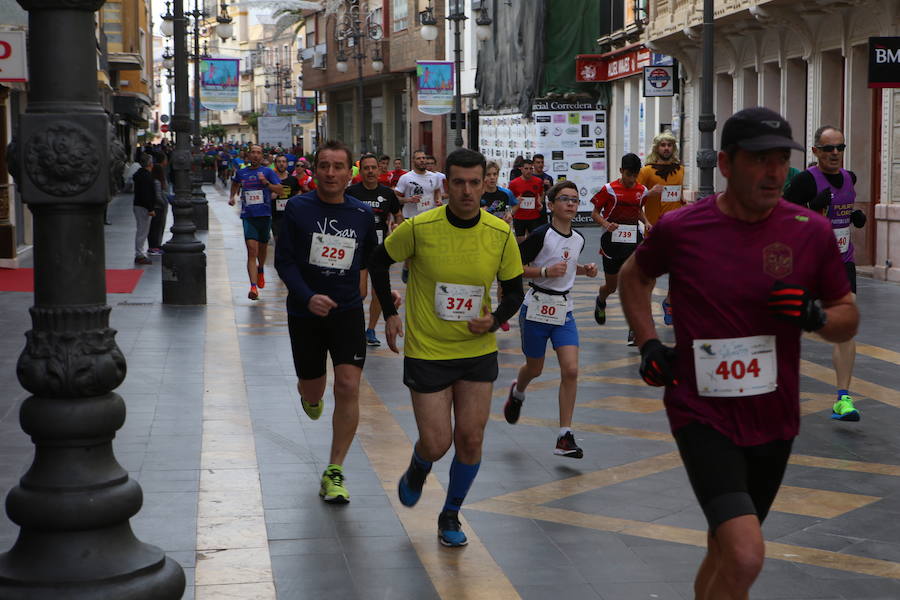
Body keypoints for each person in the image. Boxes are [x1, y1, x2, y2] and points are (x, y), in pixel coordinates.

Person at [619, 107, 859, 600]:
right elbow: (633, 277)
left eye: (780, 159)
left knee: (726, 550)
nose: (774, 172)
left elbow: (847, 317)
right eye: (759, 160)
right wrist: (647, 344)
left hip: (774, 417)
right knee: (747, 553)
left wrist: (815, 317)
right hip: (701, 411)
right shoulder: (684, 229)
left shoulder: (808, 231)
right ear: (726, 164)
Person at [368, 148, 525, 547]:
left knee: (471, 439)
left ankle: (451, 514)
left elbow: (514, 290)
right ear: (446, 184)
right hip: (428, 351)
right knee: (438, 443)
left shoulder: (499, 231)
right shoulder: (421, 228)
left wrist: (494, 318)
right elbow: (376, 260)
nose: (468, 191)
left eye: (475, 182)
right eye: (459, 182)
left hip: (476, 351)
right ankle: (420, 465)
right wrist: (389, 312)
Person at [274, 140, 392, 504]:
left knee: (347, 385)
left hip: (346, 312)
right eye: (324, 165)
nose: (330, 173)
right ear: (315, 170)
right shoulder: (297, 208)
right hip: (304, 313)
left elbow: (373, 261)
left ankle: (335, 469)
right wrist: (308, 296)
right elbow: (285, 262)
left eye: (338, 166)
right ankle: (310, 397)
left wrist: (389, 302)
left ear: (348, 172)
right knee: (314, 391)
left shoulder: (359, 215)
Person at [504, 181, 598, 458]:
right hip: (536, 308)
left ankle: (564, 436)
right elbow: (515, 269)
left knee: (571, 370)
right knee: (535, 369)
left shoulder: (579, 238)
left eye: (575, 199)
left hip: (564, 310)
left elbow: (566, 268)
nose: (571, 204)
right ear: (552, 204)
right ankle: (518, 392)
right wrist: (544, 271)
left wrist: (585, 270)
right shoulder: (540, 234)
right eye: (565, 199)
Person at [784, 125, 866, 421]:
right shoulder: (806, 181)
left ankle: (843, 398)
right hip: (808, 262)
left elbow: (844, 212)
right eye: (829, 148)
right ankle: (775, 386)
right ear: (816, 150)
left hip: (841, 261)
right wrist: (810, 208)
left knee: (846, 322)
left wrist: (855, 217)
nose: (835, 154)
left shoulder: (849, 178)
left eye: (840, 148)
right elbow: (784, 220)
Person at [591, 153, 648, 345]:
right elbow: (595, 213)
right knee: (612, 286)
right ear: (621, 171)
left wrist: (647, 222)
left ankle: (634, 330)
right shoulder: (608, 189)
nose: (632, 180)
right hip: (612, 241)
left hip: (633, 239)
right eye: (628, 175)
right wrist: (606, 224)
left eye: (635, 176)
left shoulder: (642, 189)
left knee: (634, 284)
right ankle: (601, 299)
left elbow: (638, 210)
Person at [347, 153, 402, 347]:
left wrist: (397, 229)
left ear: (379, 170)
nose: (370, 171)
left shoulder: (387, 194)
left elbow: (397, 214)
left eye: (373, 168)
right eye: (366, 168)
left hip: (379, 251)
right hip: (358, 248)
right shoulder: (352, 192)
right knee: (360, 293)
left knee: (378, 291)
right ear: (360, 171)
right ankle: (355, 325)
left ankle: (370, 330)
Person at [637, 131, 685, 326]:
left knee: (679, 271)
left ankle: (669, 302)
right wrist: (649, 192)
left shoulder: (680, 169)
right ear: (656, 148)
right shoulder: (647, 171)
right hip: (654, 229)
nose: (666, 148)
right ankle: (645, 312)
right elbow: (635, 198)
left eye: (669, 145)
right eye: (663, 145)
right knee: (650, 274)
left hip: (676, 229)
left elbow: (677, 197)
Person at [229, 144, 283, 300]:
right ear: (248, 155)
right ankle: (253, 287)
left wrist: (266, 182)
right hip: (248, 216)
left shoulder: (268, 172)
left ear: (262, 156)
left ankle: (261, 269)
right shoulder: (241, 172)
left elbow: (279, 189)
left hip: (265, 216)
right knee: (252, 251)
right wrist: (232, 197)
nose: (255, 155)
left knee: (262, 250)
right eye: (253, 152)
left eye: (258, 153)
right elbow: (235, 184)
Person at [394, 150, 443, 283]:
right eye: (419, 158)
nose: (422, 160)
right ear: (413, 161)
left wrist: (438, 200)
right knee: (412, 248)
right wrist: (408, 200)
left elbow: (437, 191)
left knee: (428, 247)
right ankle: (407, 266)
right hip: (411, 218)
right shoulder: (406, 178)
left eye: (424, 158)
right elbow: (396, 197)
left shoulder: (434, 177)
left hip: (429, 218)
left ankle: (425, 272)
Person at [508, 158, 545, 242]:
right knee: (520, 241)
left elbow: (541, 193)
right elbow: (510, 199)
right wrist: (516, 201)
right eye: (526, 168)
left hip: (534, 216)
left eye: (531, 168)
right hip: (519, 217)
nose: (529, 171)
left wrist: (540, 203)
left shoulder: (538, 181)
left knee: (533, 241)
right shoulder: (514, 183)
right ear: (521, 169)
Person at [271, 154, 303, 240]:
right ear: (275, 164)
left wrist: (295, 199)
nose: (281, 164)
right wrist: (270, 196)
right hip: (276, 216)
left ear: (287, 164)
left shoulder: (293, 179)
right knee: (278, 240)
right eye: (279, 162)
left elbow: (299, 192)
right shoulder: (271, 180)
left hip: (290, 215)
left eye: (283, 162)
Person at [132, 153, 156, 265]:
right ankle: (139, 254)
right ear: (150, 163)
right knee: (142, 231)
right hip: (143, 207)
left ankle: (139, 253)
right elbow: (146, 194)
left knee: (142, 230)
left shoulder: (141, 175)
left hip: (139, 205)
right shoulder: (146, 176)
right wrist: (150, 208)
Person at [147, 157, 169, 256]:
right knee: (156, 227)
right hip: (158, 208)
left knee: (155, 227)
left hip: (156, 207)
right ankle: (154, 246)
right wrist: (164, 204)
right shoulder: (157, 182)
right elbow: (158, 196)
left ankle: (155, 245)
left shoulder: (154, 181)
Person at [533, 153, 554, 223]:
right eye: (538, 162)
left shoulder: (548, 177)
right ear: (533, 164)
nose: (540, 164)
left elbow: (551, 195)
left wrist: (549, 186)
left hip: (542, 208)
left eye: (542, 162)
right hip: (530, 208)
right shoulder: (529, 177)